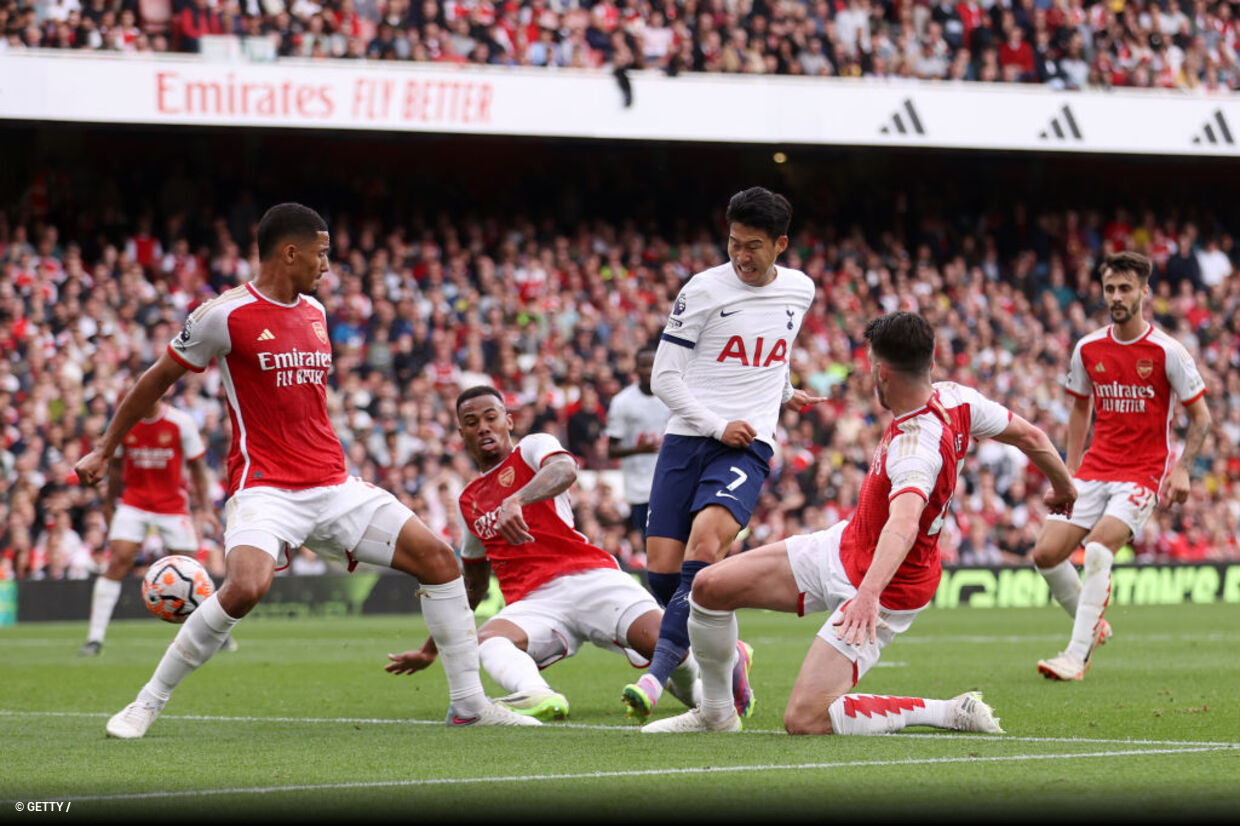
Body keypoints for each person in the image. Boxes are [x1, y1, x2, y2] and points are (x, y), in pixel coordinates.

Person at [74, 203, 537, 739]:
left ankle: (469, 705)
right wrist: (105, 449)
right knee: (245, 587)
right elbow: (154, 381)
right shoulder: (222, 316)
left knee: (439, 560)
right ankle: (145, 704)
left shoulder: (316, 312)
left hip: (334, 485)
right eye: (321, 253)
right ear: (289, 252)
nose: (327, 265)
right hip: (265, 488)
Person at [642, 311, 1077, 734]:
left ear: (882, 372)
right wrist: (1065, 488)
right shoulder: (957, 398)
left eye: (870, 365)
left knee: (805, 719)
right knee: (709, 588)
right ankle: (717, 714)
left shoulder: (915, 447)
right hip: (846, 546)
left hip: (886, 586)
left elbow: (904, 525)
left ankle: (947, 711)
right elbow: (1032, 437)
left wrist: (868, 595)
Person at [621, 186, 828, 723]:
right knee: (664, 577)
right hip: (690, 437)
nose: (741, 255)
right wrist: (716, 424)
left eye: (754, 245)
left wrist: (782, 394)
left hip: (749, 444)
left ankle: (657, 672)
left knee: (705, 547)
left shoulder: (800, 291)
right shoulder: (703, 289)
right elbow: (662, 377)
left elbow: (771, 350)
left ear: (780, 244)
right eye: (734, 242)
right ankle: (732, 656)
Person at [384, 385, 714, 721]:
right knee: (487, 640)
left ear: (508, 421)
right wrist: (429, 650)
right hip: (535, 604)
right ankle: (537, 693)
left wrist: (516, 500)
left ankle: (695, 692)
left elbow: (565, 470)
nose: (482, 426)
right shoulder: (468, 501)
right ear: (461, 433)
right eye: (471, 422)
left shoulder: (531, 448)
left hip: (592, 579)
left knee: (665, 643)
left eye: (490, 417)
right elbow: (473, 587)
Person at [1032, 251, 1210, 682]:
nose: (1116, 296)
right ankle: (1093, 621)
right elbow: (1079, 411)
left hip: (1142, 473)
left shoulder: (1168, 351)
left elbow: (1201, 417)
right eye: (1110, 288)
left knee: (1096, 549)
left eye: (1125, 288)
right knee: (1045, 554)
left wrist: (1182, 468)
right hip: (1095, 468)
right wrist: (1068, 475)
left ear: (1144, 292)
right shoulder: (1088, 348)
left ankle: (1076, 655)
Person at [78, 398, 231, 657]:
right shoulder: (124, 421)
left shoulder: (180, 423)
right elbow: (115, 468)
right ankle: (94, 639)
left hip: (172, 504)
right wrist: (109, 503)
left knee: (191, 568)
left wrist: (204, 508)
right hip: (134, 502)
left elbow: (197, 468)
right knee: (118, 560)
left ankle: (220, 632)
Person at [604, 348, 669, 553]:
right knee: (650, 542)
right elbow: (611, 450)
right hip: (640, 487)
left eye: (653, 364)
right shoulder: (622, 402)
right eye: (644, 365)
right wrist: (638, 449)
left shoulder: (671, 395)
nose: (649, 370)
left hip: (668, 479)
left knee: (673, 538)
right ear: (635, 369)